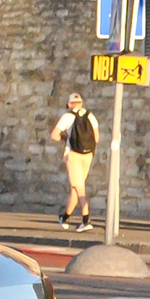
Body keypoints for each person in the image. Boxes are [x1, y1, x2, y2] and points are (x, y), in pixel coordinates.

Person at [51, 93, 100, 229]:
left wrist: (64, 138)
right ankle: (65, 218)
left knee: (79, 188)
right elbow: (96, 139)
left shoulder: (68, 116)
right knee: (76, 188)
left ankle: (86, 220)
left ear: (69, 104)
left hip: (73, 155)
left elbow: (54, 135)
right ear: (81, 103)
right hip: (88, 154)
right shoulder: (90, 116)